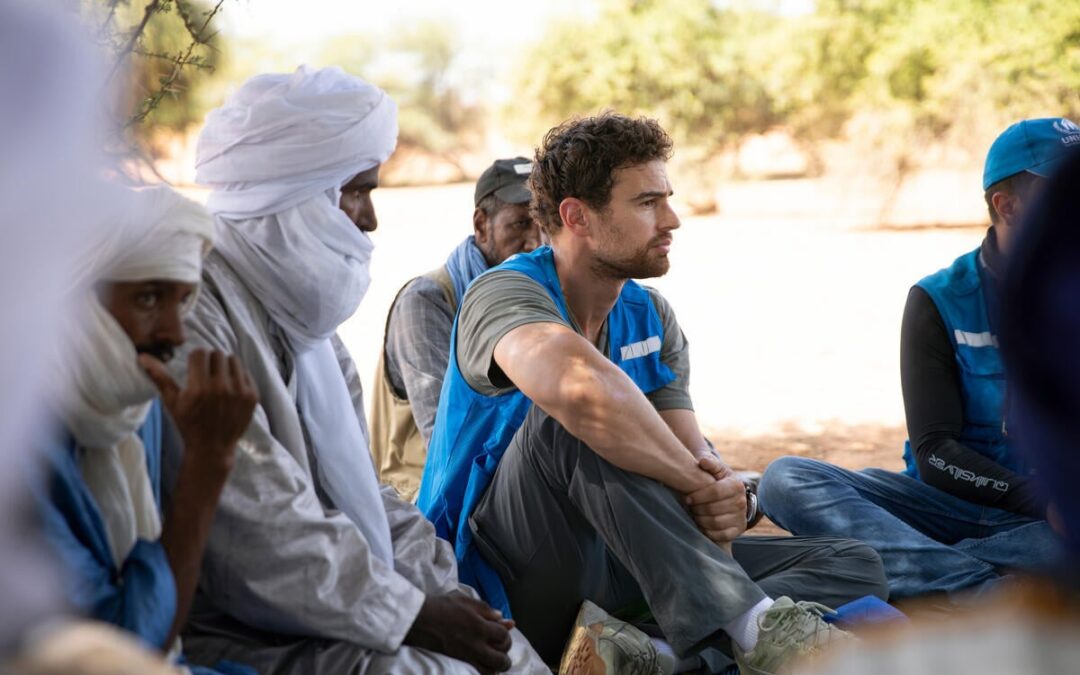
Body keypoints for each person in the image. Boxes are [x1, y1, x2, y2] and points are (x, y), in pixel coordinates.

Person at [417, 112, 888, 675]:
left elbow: (691, 454)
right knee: (574, 417)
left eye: (667, 198)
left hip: (636, 562)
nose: (673, 219)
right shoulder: (503, 292)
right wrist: (693, 479)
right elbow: (578, 392)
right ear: (577, 217)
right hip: (511, 572)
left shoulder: (649, 315)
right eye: (647, 203)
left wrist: (725, 492)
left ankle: (647, 653)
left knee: (851, 563)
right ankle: (755, 631)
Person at [174, 65, 547, 674]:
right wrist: (410, 614)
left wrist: (445, 596)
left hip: (347, 596)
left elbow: (367, 499)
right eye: (355, 191)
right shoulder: (195, 316)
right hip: (240, 625)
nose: (369, 219)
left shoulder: (304, 323)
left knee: (515, 657)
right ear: (295, 193)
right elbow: (257, 531)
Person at [758, 118, 1078, 599]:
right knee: (785, 480)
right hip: (940, 504)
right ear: (1007, 206)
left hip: (1055, 520)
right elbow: (935, 454)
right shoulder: (939, 297)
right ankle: (984, 590)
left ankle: (913, 572)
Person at [36, 185, 258, 674]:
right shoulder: (22, 437)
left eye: (182, 301)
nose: (174, 334)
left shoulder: (134, 405)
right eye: (148, 297)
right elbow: (124, 651)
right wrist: (206, 466)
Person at [371, 157, 541, 499]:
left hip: (499, 483)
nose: (535, 242)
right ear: (482, 225)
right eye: (520, 224)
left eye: (544, 224)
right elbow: (447, 442)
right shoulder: (427, 302)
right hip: (424, 499)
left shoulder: (534, 295)